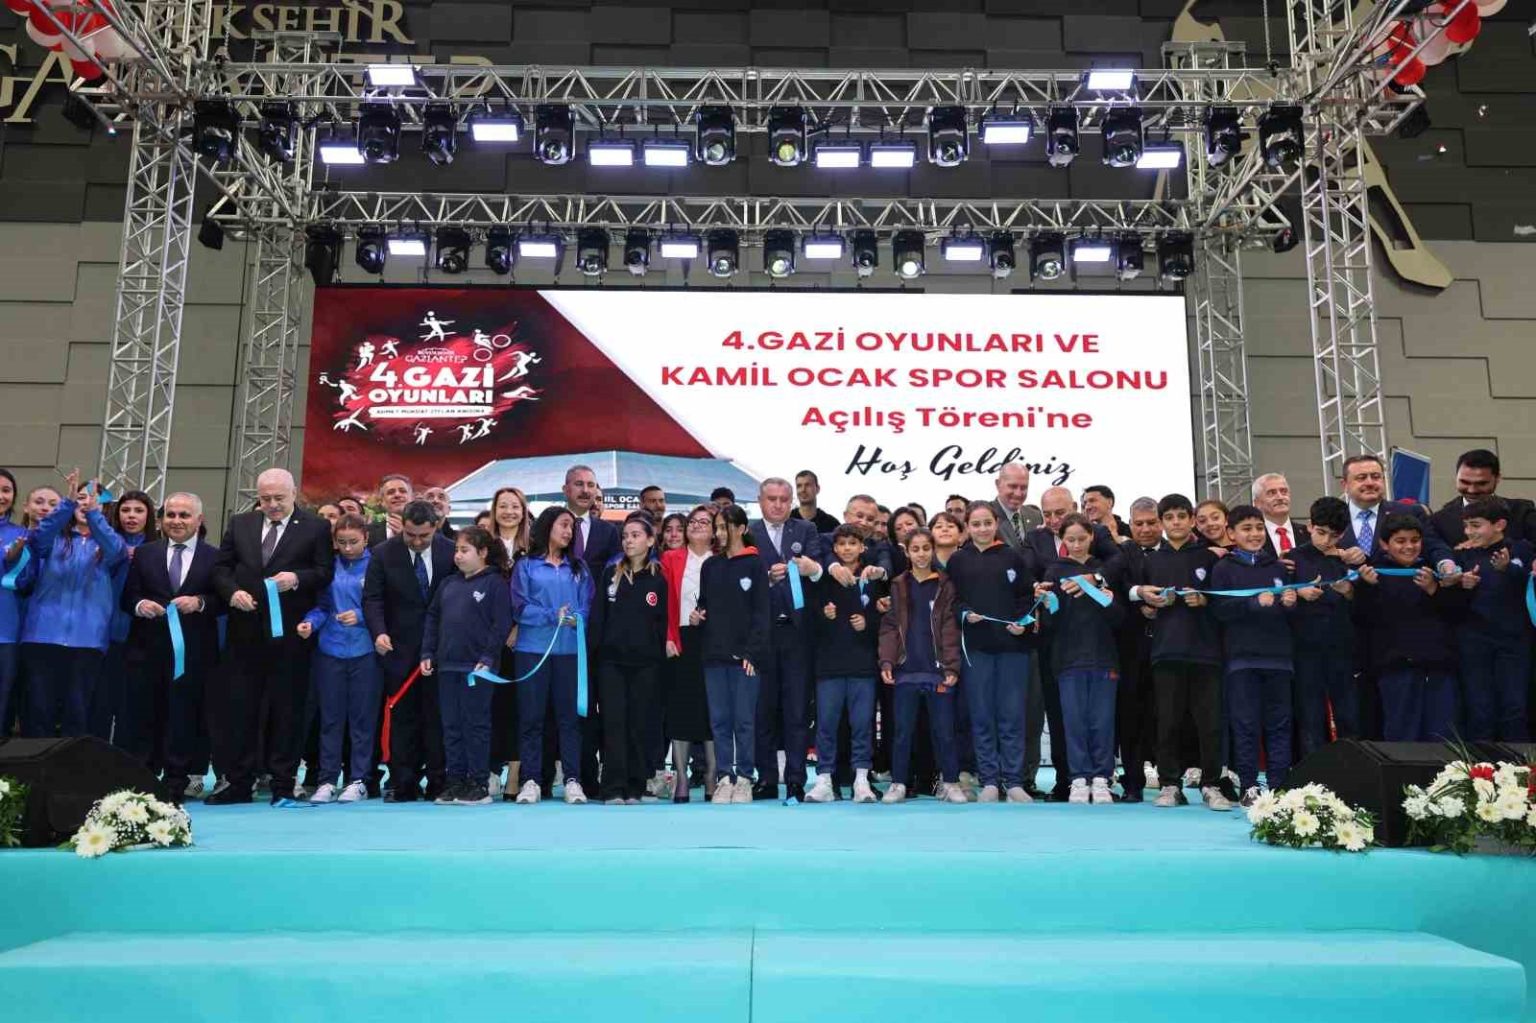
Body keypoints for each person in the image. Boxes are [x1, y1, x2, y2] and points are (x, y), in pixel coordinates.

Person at [207, 467, 334, 805]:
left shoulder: (316, 527)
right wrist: (232, 592)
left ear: (294, 493)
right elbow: (221, 568)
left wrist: (297, 578)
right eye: (265, 499)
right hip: (244, 632)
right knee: (241, 709)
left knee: (287, 710)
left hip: (291, 634)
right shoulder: (241, 523)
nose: (273, 505)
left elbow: (324, 572)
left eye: (279, 498)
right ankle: (239, 782)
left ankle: (283, 783)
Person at [1131, 494, 1231, 811]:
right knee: (1168, 722)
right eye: (1169, 517)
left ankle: (1212, 784)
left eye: (1181, 516)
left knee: (1209, 723)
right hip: (1165, 652)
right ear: (1162, 523)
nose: (1175, 522)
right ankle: (1170, 784)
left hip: (1206, 653)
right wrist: (1147, 606)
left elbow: (1225, 601)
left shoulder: (1210, 558)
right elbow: (1136, 600)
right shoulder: (1150, 561)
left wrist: (1204, 600)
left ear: (1192, 521)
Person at [120, 491, 220, 803]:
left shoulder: (215, 557)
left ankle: (177, 780)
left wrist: (200, 602)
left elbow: (222, 600)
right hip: (147, 649)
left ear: (199, 520)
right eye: (171, 515)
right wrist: (141, 606)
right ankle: (144, 777)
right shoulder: (145, 554)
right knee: (145, 715)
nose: (176, 521)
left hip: (194, 652)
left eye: (184, 515)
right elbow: (128, 597)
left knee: (185, 715)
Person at [1023, 486, 1120, 801]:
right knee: (1072, 722)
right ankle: (1077, 778)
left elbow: (1119, 618)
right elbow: (1050, 622)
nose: (1076, 544)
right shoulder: (1054, 571)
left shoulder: (1102, 571)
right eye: (1071, 539)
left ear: (1092, 536)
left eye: (1081, 538)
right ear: (1062, 541)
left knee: (1102, 722)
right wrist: (1046, 604)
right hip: (1066, 660)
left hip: (1104, 658)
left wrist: (1107, 597)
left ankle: (1102, 777)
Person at [19, 471, 128, 739]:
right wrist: (66, 503)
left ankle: (70, 765)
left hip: (87, 641)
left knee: (77, 713)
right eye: (81, 498)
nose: (86, 502)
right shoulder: (54, 538)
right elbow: (38, 537)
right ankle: (36, 764)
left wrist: (93, 515)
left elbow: (116, 551)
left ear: (103, 508)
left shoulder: (112, 544)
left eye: (93, 499)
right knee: (38, 711)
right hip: (43, 636)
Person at [1208, 504, 1304, 807]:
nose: (1254, 534)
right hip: (1242, 660)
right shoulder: (1223, 568)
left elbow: (1292, 616)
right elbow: (1218, 610)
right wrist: (1252, 603)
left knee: (1280, 725)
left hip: (1280, 659)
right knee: (1245, 724)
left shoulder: (1278, 567)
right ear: (1231, 533)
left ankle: (1279, 786)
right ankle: (1249, 785)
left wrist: (1291, 603)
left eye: (1259, 528)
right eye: (1246, 529)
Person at [362, 499, 456, 802]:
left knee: (438, 716)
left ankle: (439, 780)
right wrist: (379, 631)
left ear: (436, 527)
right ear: (401, 526)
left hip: (441, 649)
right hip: (398, 648)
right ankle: (404, 781)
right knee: (403, 718)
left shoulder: (451, 551)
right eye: (410, 535)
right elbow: (372, 598)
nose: (416, 542)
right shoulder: (382, 554)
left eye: (423, 536)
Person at [947, 500, 1038, 803]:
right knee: (982, 715)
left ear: (997, 523)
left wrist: (1023, 623)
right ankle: (988, 780)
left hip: (1013, 649)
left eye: (987, 522)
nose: (983, 529)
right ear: (967, 527)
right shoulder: (958, 560)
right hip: (976, 650)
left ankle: (1013, 782)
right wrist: (964, 613)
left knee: (1012, 716)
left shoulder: (1013, 556)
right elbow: (952, 600)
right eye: (976, 524)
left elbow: (1027, 597)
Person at [420, 525, 513, 806]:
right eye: (456, 551)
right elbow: (433, 618)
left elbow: (501, 625)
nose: (458, 556)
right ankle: (455, 781)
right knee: (451, 726)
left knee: (476, 726)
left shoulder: (495, 584)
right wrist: (428, 652)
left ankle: (478, 783)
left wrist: (488, 658)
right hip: (447, 666)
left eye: (464, 550)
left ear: (482, 552)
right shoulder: (448, 584)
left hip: (477, 670)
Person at [1352, 514, 1465, 742]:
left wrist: (1434, 590)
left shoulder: (1434, 572)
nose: (1409, 546)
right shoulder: (1373, 574)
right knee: (1402, 733)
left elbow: (1456, 615)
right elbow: (1362, 619)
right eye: (1400, 541)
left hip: (1438, 667)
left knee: (1443, 733)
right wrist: (1368, 588)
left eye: (1415, 540)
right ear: (1384, 544)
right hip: (1396, 668)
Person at [510, 505, 594, 804]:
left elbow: (587, 606)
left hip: (570, 652)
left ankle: (572, 780)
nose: (569, 531)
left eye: (571, 527)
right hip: (532, 652)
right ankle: (531, 780)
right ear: (547, 527)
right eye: (564, 525)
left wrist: (577, 618)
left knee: (569, 719)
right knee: (531, 718)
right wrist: (550, 615)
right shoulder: (525, 566)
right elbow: (519, 608)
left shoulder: (579, 568)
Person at [748, 478, 822, 801]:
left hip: (797, 635)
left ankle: (795, 779)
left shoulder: (806, 530)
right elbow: (740, 579)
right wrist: (764, 579)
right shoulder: (747, 532)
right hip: (761, 635)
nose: (778, 504)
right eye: (771, 498)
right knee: (762, 709)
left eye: (783, 499)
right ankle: (765, 778)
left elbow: (819, 569)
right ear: (760, 500)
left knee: (797, 711)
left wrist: (811, 568)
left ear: (791, 501)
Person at [298, 514, 380, 804]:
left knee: (362, 719)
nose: (347, 548)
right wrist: (310, 623)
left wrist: (360, 616)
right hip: (330, 650)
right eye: (341, 542)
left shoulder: (377, 565)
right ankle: (327, 779)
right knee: (330, 719)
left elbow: (385, 606)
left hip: (366, 651)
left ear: (366, 538)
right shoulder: (329, 566)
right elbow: (322, 606)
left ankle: (359, 779)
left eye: (353, 542)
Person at [878, 528, 965, 804]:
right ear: (907, 551)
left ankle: (951, 782)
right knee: (902, 732)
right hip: (906, 671)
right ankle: (898, 783)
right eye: (915, 549)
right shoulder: (898, 584)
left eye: (926, 548)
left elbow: (950, 627)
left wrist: (951, 666)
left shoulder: (945, 584)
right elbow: (890, 626)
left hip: (938, 671)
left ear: (933, 550)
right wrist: (887, 660)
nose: (921, 554)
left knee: (944, 731)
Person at [590, 516, 669, 804]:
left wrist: (659, 660)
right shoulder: (610, 574)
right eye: (625, 536)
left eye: (635, 535)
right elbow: (598, 618)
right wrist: (594, 658)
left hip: (646, 665)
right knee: (614, 724)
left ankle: (635, 785)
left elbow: (662, 624)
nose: (629, 540)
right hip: (611, 664)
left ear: (650, 540)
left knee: (639, 724)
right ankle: (613, 787)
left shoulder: (659, 578)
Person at [694, 503, 769, 804]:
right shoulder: (710, 566)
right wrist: (698, 615)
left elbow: (762, 614)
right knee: (719, 720)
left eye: (725, 527)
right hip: (713, 655)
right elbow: (704, 604)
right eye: (717, 527)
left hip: (745, 659)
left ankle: (746, 777)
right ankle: (725, 776)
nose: (720, 533)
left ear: (741, 529)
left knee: (744, 720)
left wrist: (752, 653)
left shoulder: (755, 564)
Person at [806, 525, 882, 803]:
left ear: (862, 547)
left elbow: (886, 619)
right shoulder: (823, 579)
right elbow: (809, 618)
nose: (847, 548)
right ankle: (824, 779)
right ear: (835, 548)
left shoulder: (872, 578)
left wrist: (868, 622)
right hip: (829, 667)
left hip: (863, 666)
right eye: (842, 544)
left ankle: (862, 780)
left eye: (852, 543)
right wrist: (824, 615)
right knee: (826, 725)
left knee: (862, 725)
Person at [1453, 498, 1532, 741]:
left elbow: (1528, 586)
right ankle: (1479, 762)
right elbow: (1450, 600)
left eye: (1476, 525)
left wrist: (1509, 570)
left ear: (1499, 525)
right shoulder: (1462, 554)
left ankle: (1518, 762)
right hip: (1474, 641)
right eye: (1466, 526)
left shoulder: (1522, 549)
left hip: (1514, 642)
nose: (1469, 532)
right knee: (1480, 707)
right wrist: (1462, 585)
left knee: (1514, 706)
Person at [1289, 497, 1360, 756]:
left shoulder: (1350, 558)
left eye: (1334, 535)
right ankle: (1313, 771)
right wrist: (1299, 594)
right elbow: (1281, 600)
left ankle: (1352, 766)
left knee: (1349, 713)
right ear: (1309, 526)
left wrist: (1350, 592)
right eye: (1321, 532)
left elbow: (1368, 606)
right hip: (1305, 648)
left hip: (1342, 646)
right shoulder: (1292, 559)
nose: (1326, 541)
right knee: (1310, 715)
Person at [93, 490, 157, 745]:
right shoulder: (106, 544)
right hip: (105, 634)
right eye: (125, 510)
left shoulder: (158, 549)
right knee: (100, 703)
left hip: (142, 636)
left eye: (139, 511)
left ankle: (127, 761)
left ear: (149, 516)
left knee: (132, 707)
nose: (131, 516)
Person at [1112, 497, 1162, 802]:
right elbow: (1114, 591)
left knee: (1167, 716)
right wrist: (1138, 602)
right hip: (1130, 648)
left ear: (1161, 523)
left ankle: (1171, 780)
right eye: (1139, 523)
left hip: (1169, 646)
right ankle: (1132, 782)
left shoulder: (1175, 553)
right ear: (1130, 524)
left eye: (1151, 523)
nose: (1145, 529)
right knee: (1129, 716)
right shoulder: (1119, 554)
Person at [487, 485, 531, 795]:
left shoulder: (534, 547)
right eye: (503, 506)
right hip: (488, 638)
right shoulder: (483, 545)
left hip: (522, 639)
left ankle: (515, 773)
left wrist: (518, 627)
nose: (509, 512)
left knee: (519, 706)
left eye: (515, 506)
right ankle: (490, 770)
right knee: (490, 706)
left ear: (524, 511)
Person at [1431, 449, 1536, 546]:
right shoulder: (1440, 520)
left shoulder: (1522, 512)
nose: (1472, 490)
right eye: (1465, 482)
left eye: (1481, 483)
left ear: (1497, 478)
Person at [0, 468, 33, 736]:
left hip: (7, 630)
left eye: (6, 490)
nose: (1, 496)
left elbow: (28, 581)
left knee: (3, 698)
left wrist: (14, 562)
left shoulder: (22, 534)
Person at [1252, 473, 1306, 560]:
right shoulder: (1252, 538)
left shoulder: (1308, 533)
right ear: (1257, 503)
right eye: (1272, 493)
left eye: (1284, 491)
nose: (1280, 497)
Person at [988, 462, 1035, 551]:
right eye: (1013, 486)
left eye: (1024, 487)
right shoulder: (985, 515)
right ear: (998, 484)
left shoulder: (1035, 515)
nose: (1018, 493)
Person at [367, 474, 414, 546]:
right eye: (390, 492)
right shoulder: (368, 531)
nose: (397, 495)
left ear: (411, 498)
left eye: (403, 491)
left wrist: (407, 537)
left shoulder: (427, 527)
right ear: (382, 501)